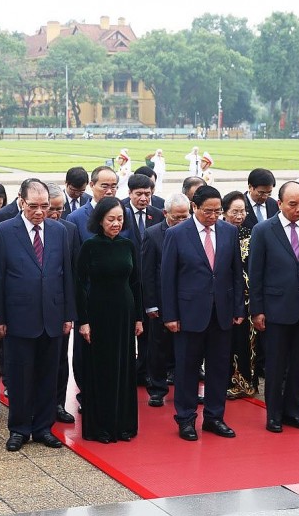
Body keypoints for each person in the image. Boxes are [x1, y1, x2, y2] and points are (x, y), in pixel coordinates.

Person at [0, 179, 75, 451]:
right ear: (21, 202)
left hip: (52, 316)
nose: (40, 212)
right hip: (18, 319)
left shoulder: (60, 231)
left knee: (48, 376)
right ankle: (19, 429)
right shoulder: (4, 231)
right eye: (34, 206)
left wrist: (68, 315)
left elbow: (67, 275)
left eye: (45, 206)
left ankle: (42, 427)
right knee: (19, 377)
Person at [161, 185, 245, 441]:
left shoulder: (229, 232)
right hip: (188, 313)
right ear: (194, 207)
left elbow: (235, 273)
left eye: (218, 211)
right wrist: (170, 315)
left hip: (221, 312)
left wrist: (238, 307)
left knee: (219, 368)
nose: (213, 216)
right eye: (208, 211)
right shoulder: (177, 234)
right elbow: (168, 278)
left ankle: (214, 417)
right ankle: (186, 419)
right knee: (187, 368)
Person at [249, 182, 299, 433]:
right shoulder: (263, 230)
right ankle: (274, 415)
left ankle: (294, 412)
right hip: (275, 309)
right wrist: (257, 310)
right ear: (279, 204)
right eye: (293, 204)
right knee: (275, 365)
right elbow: (256, 273)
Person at [75, 197, 142, 443]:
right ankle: (100, 426)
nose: (116, 223)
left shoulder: (128, 245)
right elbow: (79, 284)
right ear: (100, 220)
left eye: (120, 219)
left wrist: (139, 318)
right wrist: (83, 320)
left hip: (125, 313)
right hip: (98, 313)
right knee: (101, 368)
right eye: (111, 219)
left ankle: (123, 425)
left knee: (124, 367)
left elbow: (136, 283)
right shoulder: (90, 246)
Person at [142, 193, 190, 407]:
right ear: (165, 214)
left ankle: (184, 389)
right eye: (177, 217)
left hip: (187, 301)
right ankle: (157, 389)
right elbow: (148, 273)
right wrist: (150, 303)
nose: (181, 221)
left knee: (186, 349)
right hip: (161, 302)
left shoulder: (192, 232)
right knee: (159, 348)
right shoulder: (153, 234)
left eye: (185, 216)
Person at [122, 173, 163, 388]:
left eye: (148, 194)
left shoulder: (158, 214)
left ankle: (145, 371)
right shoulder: (118, 212)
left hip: (149, 283)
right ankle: (127, 371)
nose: (144, 199)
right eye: (139, 194)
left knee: (148, 331)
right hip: (125, 282)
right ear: (129, 193)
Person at [46, 183, 82, 424]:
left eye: (60, 210)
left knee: (60, 359)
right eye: (52, 210)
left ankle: (58, 403)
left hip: (59, 308)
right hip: (32, 307)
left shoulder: (69, 230)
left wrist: (70, 313)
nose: (56, 215)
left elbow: (74, 274)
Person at [221, 191, 256, 399]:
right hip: (226, 296)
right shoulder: (220, 233)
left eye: (242, 211)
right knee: (226, 341)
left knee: (247, 342)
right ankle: (226, 381)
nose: (239, 216)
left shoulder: (251, 234)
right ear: (224, 213)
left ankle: (245, 383)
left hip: (248, 298)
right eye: (234, 212)